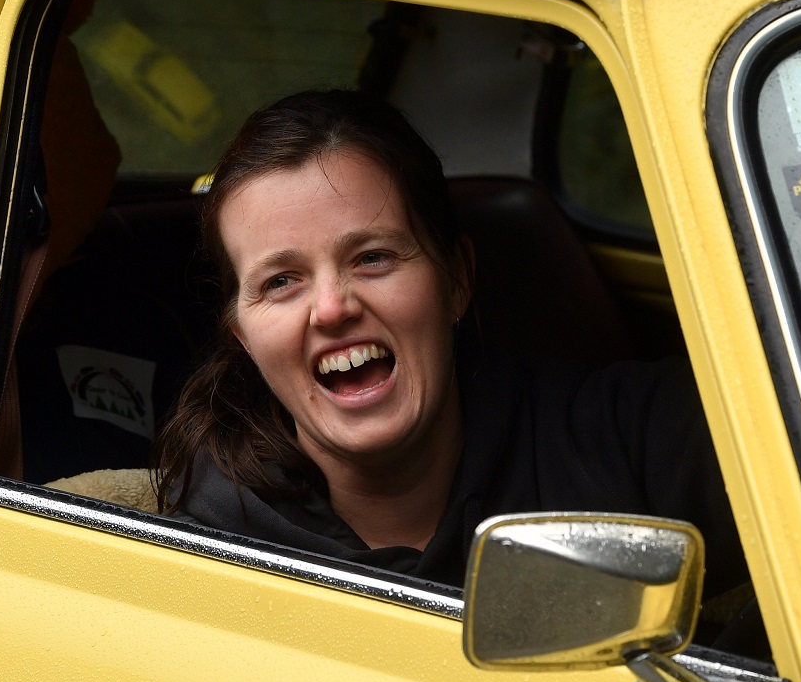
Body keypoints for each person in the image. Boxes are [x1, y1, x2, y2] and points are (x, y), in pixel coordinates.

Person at [155, 90, 755, 638]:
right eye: (282, 281)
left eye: (373, 257)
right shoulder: (202, 551)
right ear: (242, 338)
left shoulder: (620, 435)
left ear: (458, 280)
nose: (332, 308)